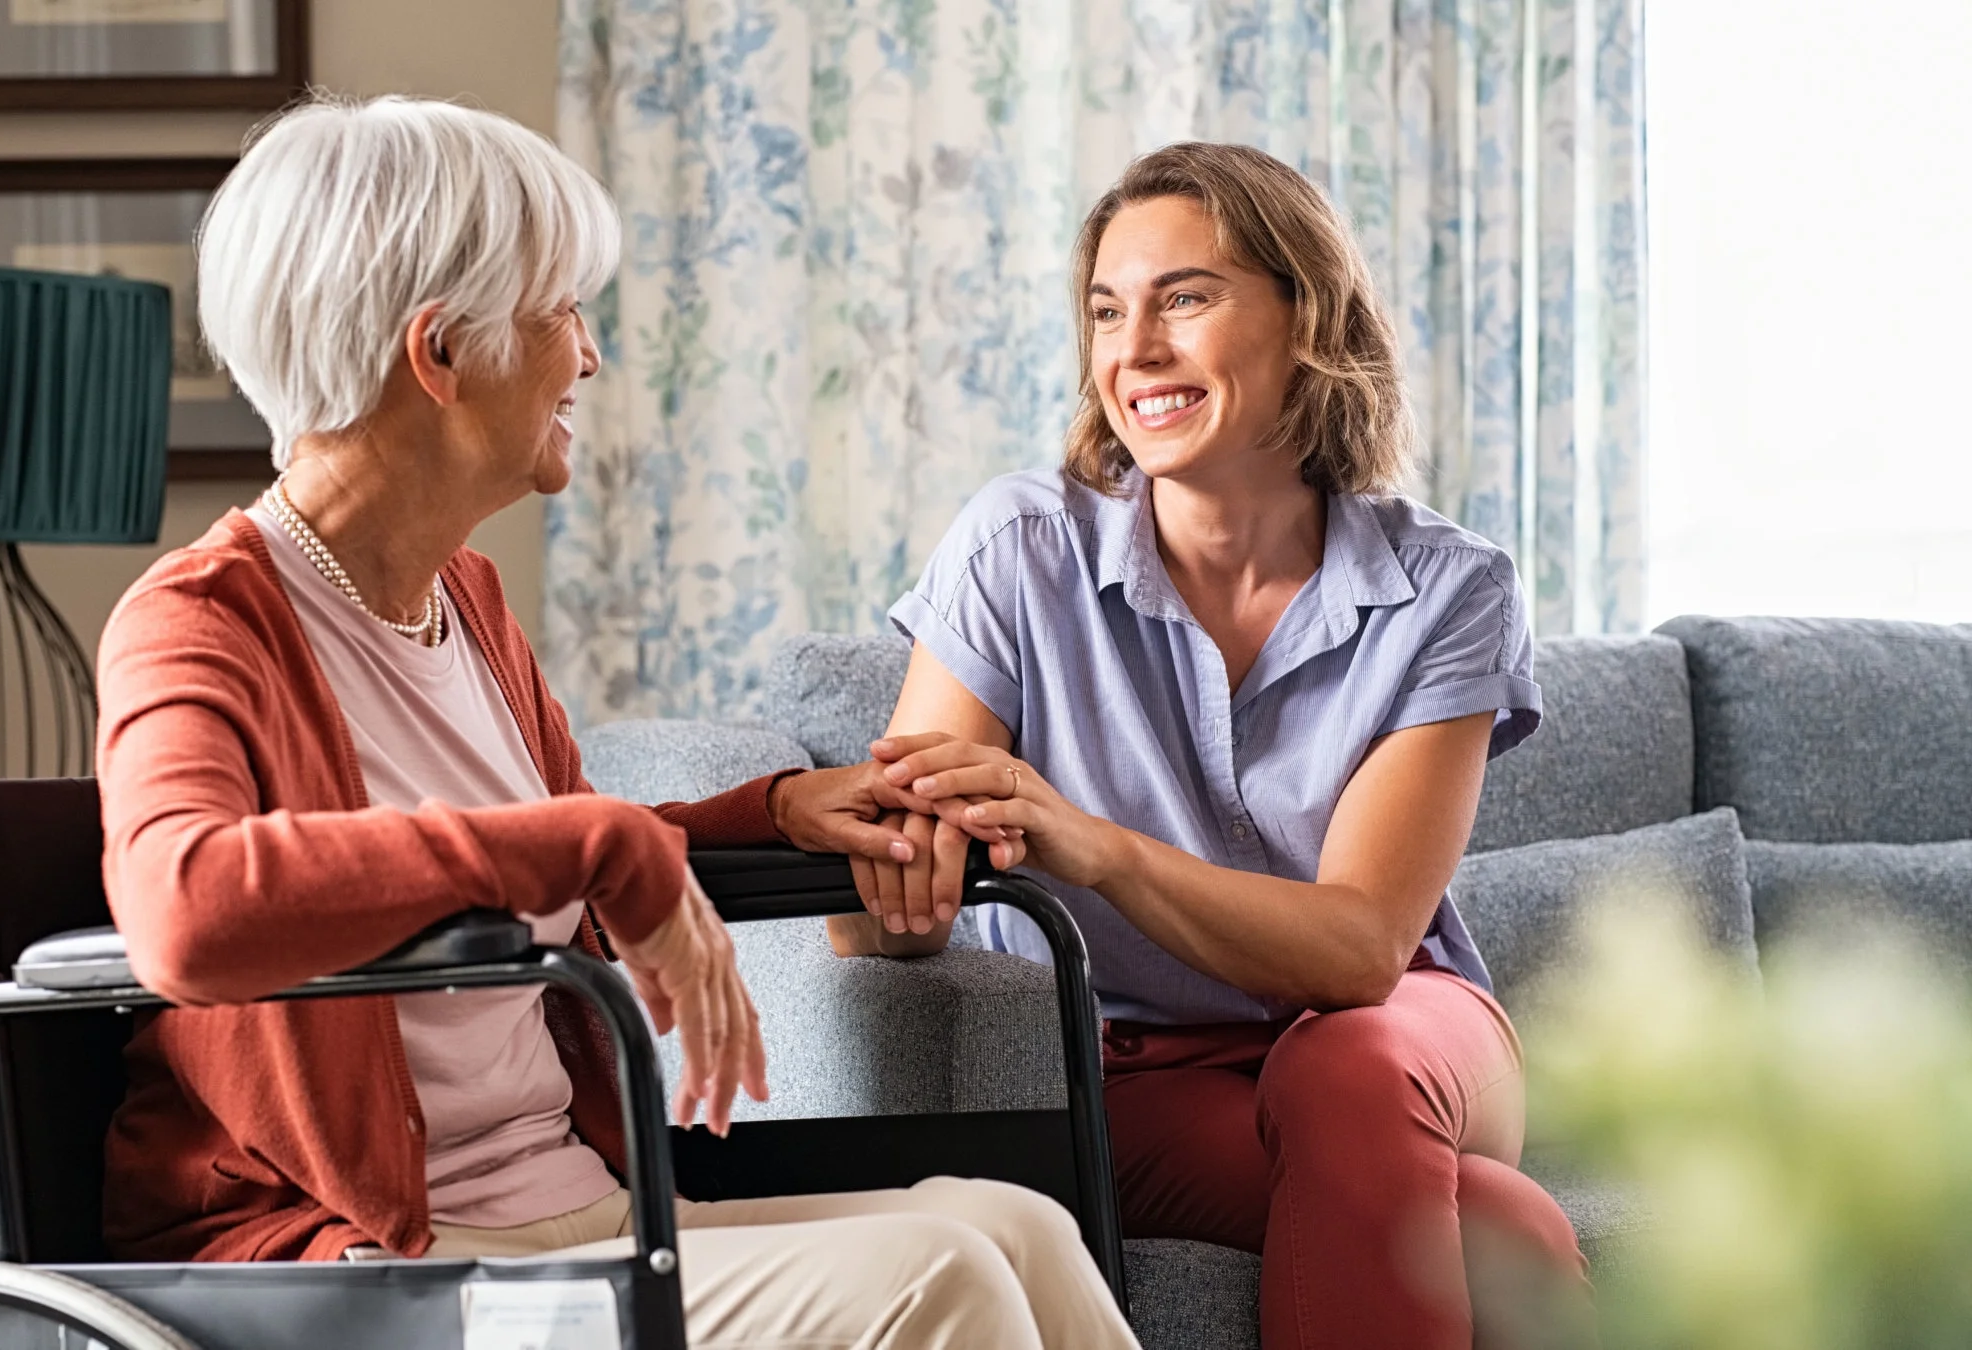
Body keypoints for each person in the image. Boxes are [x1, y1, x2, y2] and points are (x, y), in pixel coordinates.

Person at [92, 93, 1137, 1350]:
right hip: (370, 1267)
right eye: (560, 314)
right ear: (440, 355)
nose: (587, 356)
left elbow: (540, 846)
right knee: (939, 1278)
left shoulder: (461, 602)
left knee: (1011, 1223)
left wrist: (763, 814)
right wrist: (597, 844)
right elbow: (185, 909)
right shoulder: (202, 620)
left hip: (568, 1217)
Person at [830, 142, 1595, 1349]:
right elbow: (873, 906)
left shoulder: (1448, 589)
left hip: (1406, 1030)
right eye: (1106, 311)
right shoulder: (1015, 554)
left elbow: (1356, 951)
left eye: (1183, 298)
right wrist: (895, 882)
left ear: (1309, 318)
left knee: (1351, 1064)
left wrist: (1098, 851)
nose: (1134, 351)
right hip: (1135, 1069)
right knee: (1508, 1237)